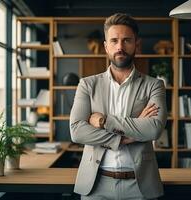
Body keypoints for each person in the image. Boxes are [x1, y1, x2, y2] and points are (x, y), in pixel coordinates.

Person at [70, 13, 167, 200]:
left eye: (126, 40)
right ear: (106, 46)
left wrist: (103, 120)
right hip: (96, 185)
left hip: (140, 186)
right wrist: (127, 135)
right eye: (114, 41)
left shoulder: (154, 85)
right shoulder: (88, 85)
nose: (120, 47)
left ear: (136, 44)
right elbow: (77, 131)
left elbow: (154, 129)